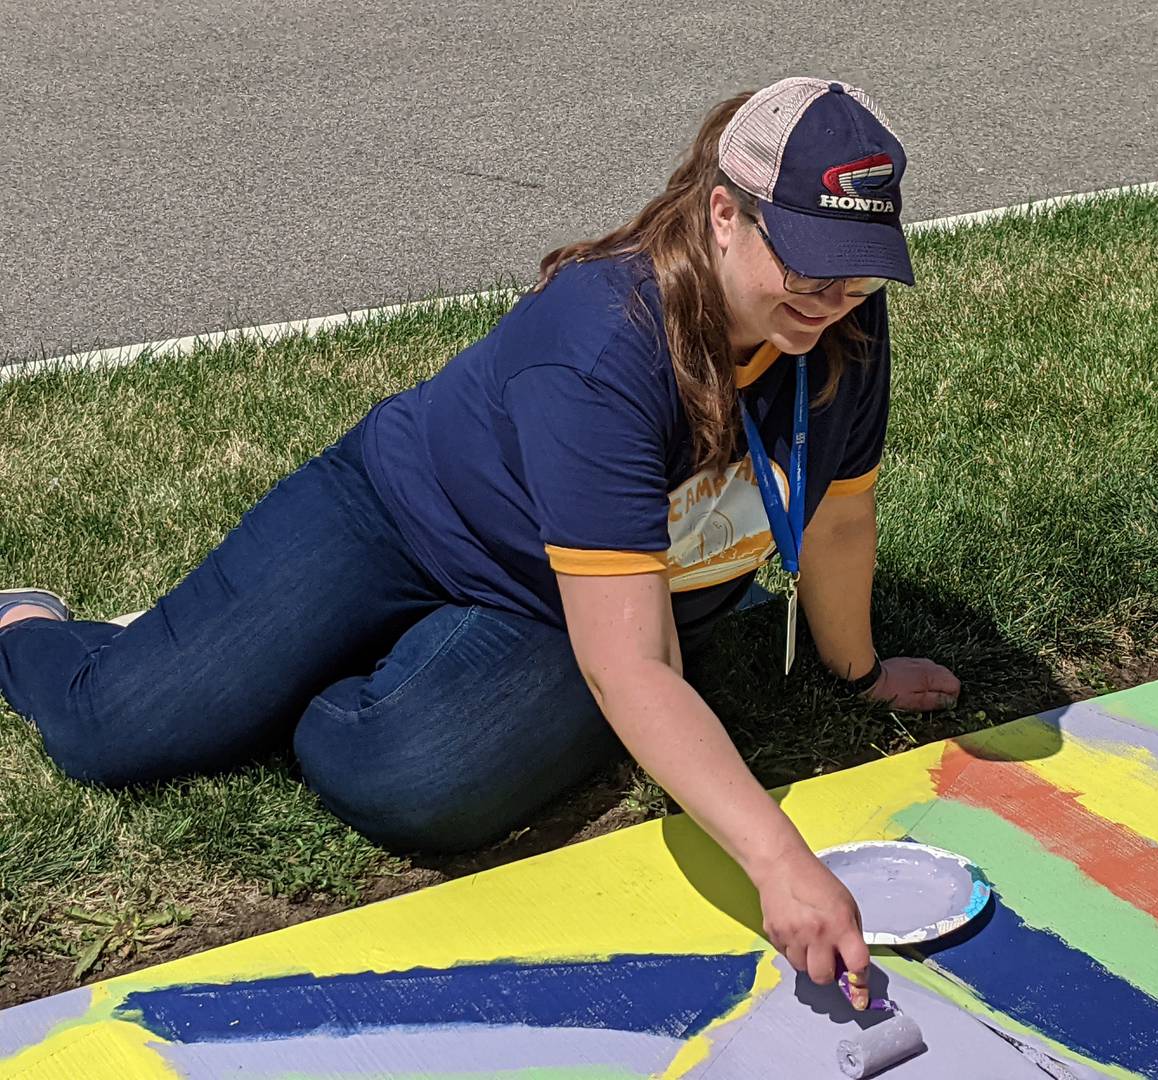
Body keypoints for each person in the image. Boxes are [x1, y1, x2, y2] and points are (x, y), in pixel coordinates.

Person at [0, 77, 961, 996]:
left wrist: (859, 671)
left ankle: (308, 665)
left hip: (561, 600)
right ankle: (37, 626)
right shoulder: (601, 341)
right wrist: (778, 862)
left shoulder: (846, 330)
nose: (833, 292)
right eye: (805, 256)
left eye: (857, 265)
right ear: (722, 214)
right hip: (403, 515)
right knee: (107, 730)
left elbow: (838, 518)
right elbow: (632, 670)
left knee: (413, 783)